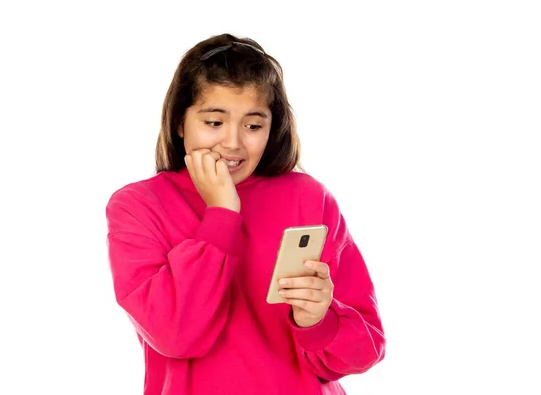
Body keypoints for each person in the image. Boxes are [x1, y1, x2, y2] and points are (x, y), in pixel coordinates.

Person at [104, 33, 385, 395]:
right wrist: (222, 213)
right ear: (179, 122)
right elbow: (174, 334)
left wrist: (318, 322)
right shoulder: (138, 206)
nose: (233, 142)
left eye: (253, 125)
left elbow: (367, 349)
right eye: (214, 122)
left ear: (272, 127)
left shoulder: (307, 197)